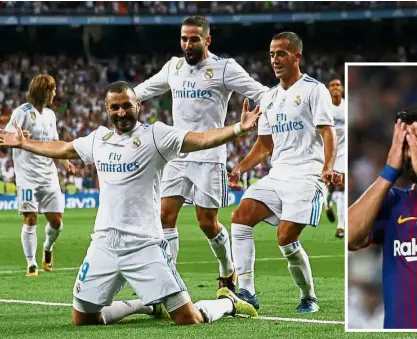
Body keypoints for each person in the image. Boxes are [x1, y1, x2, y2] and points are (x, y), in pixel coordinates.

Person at [0, 81, 260, 326]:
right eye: (115, 107)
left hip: (144, 245)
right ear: (107, 109)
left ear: (138, 106)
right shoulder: (99, 140)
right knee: (83, 319)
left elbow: (201, 140)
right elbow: (63, 148)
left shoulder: (157, 135)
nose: (121, 112)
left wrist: (239, 127)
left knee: (188, 319)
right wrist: (25, 144)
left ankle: (228, 303)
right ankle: (145, 305)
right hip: (104, 245)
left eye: (127, 106)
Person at [134, 15, 269, 291]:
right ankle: (168, 281)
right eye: (184, 38)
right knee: (164, 217)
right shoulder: (173, 67)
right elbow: (143, 90)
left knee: (207, 223)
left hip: (209, 155)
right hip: (177, 153)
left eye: (193, 39)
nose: (187, 44)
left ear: (207, 40)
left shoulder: (224, 68)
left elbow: (261, 93)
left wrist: (279, 109)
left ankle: (227, 268)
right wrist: (121, 98)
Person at [227, 32, 342, 312]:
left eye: (281, 54)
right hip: (277, 176)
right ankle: (247, 291)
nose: (275, 60)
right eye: (272, 54)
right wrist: (240, 168)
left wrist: (328, 167)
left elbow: (328, 133)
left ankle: (308, 296)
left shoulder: (315, 90)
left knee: (285, 238)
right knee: (240, 219)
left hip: (307, 176)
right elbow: (264, 144)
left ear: (297, 56)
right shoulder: (269, 97)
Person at [348, 105, 417, 329]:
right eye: (405, 143)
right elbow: (349, 236)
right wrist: (388, 172)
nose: (410, 152)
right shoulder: (394, 202)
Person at [3, 74, 75, 276]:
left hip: (48, 175)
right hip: (27, 176)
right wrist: (16, 137)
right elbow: (5, 137)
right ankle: (31, 263)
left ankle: (48, 248)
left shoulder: (51, 115)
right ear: (43, 91)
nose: (55, 93)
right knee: (30, 217)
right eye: (52, 89)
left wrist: (66, 161)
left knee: (56, 221)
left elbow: (54, 143)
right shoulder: (22, 112)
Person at [324, 77, 345, 238]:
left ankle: (341, 226)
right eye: (332, 85)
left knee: (343, 186)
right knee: (331, 186)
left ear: (342, 89)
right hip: (330, 152)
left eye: (338, 85)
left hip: (344, 151)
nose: (335, 88)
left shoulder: (347, 107)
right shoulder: (325, 108)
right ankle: (327, 204)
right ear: (328, 90)